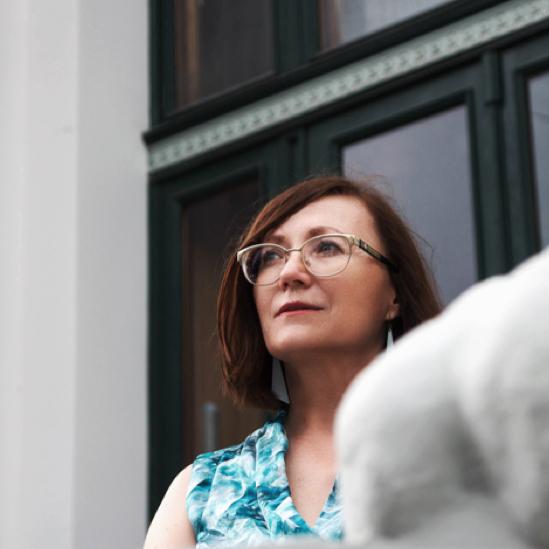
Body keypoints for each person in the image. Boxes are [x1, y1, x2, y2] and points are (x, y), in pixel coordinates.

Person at [144, 175, 442, 548]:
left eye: (328, 247)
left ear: (393, 294)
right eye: (270, 256)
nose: (289, 273)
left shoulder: (466, 455)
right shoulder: (200, 493)